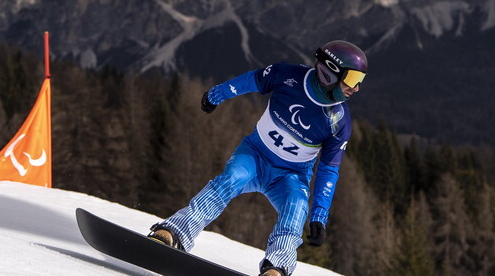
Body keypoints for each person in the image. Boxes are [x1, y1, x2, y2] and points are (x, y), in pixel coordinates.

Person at [147, 40, 369, 276]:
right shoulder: (288, 76)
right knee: (230, 180)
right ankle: (175, 232)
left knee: (296, 209)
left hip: (291, 176)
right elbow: (252, 80)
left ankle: (276, 268)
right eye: (353, 80)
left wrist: (319, 216)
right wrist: (217, 94)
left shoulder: (338, 121)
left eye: (360, 82)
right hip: (254, 156)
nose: (356, 89)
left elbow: (329, 170)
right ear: (330, 73)